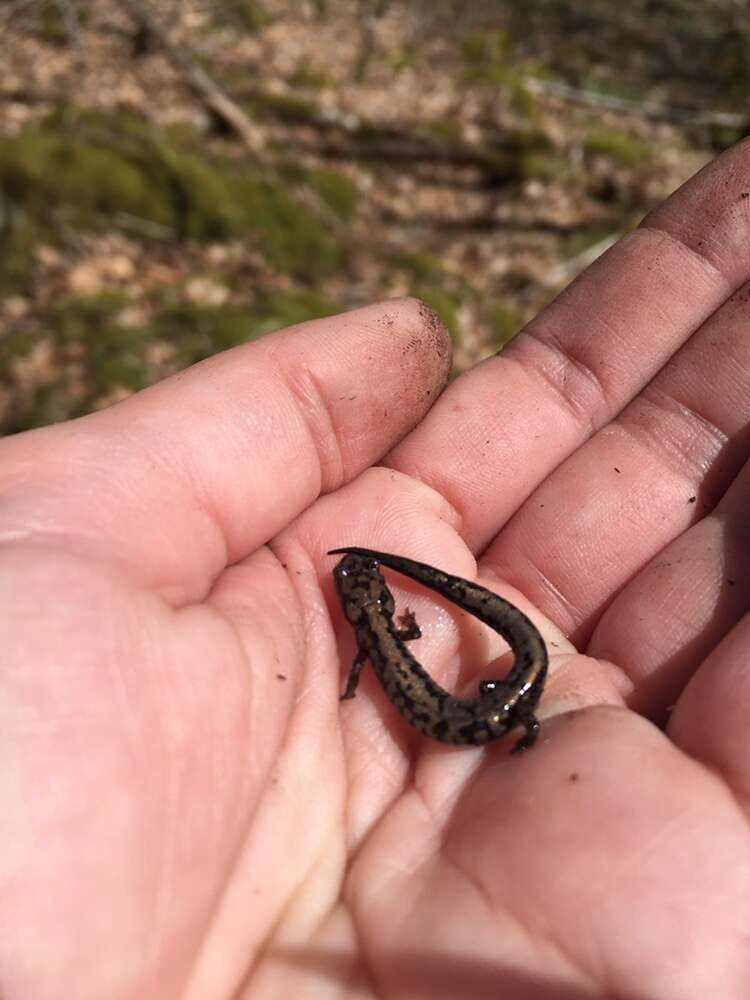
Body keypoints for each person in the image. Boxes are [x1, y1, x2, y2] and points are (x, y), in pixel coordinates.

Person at [2, 139, 749, 1000]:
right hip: (485, 714)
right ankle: (525, 713)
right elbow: (390, 646)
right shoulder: (383, 633)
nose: (364, 592)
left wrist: (377, 671)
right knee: (515, 689)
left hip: (477, 716)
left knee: (509, 686)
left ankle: (524, 713)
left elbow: (370, 663)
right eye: (367, 590)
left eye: (367, 588)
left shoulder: (369, 639)